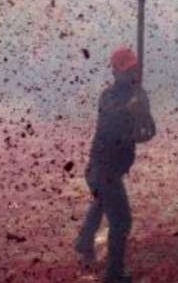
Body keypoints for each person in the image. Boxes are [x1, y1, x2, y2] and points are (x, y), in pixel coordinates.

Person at [74, 47, 155, 283]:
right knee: (121, 220)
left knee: (101, 202)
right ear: (115, 72)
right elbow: (109, 123)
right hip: (102, 168)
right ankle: (114, 273)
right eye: (127, 69)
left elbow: (147, 132)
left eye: (134, 69)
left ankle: (83, 242)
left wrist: (143, 114)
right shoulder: (108, 97)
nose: (132, 73)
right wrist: (131, 109)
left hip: (113, 169)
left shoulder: (139, 94)